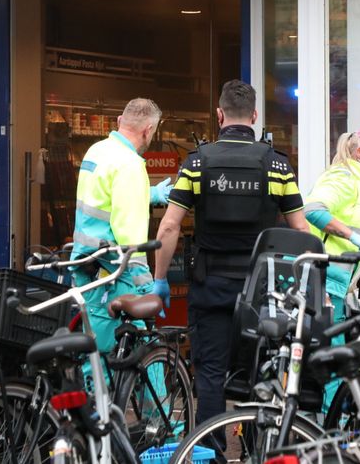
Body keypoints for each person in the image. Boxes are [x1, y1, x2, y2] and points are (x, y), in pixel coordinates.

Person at [153, 79, 309, 426]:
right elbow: (300, 229)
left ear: (219, 114)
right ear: (254, 116)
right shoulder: (277, 166)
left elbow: (168, 227)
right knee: (261, 374)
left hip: (211, 286)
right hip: (260, 291)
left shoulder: (197, 164)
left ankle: (211, 454)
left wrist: (159, 279)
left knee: (210, 374)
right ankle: (258, 450)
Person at [69, 97, 170, 353]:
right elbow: (130, 234)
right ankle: (153, 395)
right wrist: (146, 282)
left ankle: (96, 393)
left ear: (118, 122)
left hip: (86, 265)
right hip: (116, 271)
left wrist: (150, 193)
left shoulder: (97, 150)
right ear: (148, 131)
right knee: (140, 352)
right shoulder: (131, 164)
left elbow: (108, 197)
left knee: (95, 350)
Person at [303, 129, 360, 409]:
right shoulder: (342, 178)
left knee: (335, 353)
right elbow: (313, 210)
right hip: (325, 279)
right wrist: (351, 237)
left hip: (335, 282)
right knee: (334, 355)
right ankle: (333, 427)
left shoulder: (356, 185)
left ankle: (332, 422)